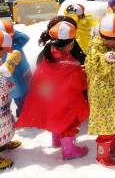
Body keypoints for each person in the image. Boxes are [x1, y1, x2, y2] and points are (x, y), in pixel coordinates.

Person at [15, 20, 89, 160]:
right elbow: (77, 82)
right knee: (69, 122)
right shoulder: (69, 61)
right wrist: (81, 73)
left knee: (55, 117)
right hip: (66, 99)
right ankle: (69, 151)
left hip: (51, 97)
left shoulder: (49, 54)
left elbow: (48, 75)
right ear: (70, 44)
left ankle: (56, 141)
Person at [85, 13, 115, 167]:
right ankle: (102, 154)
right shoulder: (94, 46)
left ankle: (114, 147)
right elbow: (93, 66)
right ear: (100, 33)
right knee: (105, 121)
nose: (112, 42)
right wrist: (105, 59)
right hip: (101, 92)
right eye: (108, 38)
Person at [0, 31, 22, 169]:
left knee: (4, 123)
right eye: (4, 50)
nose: (4, 54)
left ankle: (2, 142)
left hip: (2, 102)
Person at [0, 20, 31, 117]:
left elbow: (25, 38)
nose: (11, 37)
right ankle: (5, 120)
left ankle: (23, 116)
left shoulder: (15, 42)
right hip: (8, 80)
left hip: (21, 75)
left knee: (24, 99)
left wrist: (12, 31)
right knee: (5, 102)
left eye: (11, 35)